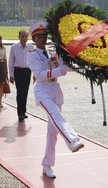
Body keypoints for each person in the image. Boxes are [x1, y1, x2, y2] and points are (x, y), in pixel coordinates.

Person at [26, 21, 84, 179]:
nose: (43, 39)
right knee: (54, 114)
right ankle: (72, 139)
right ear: (34, 38)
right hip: (42, 90)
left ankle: (47, 165)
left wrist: (74, 63)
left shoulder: (53, 52)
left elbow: (63, 69)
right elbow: (40, 75)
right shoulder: (31, 54)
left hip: (55, 90)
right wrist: (60, 70)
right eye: (39, 37)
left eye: (45, 36)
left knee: (53, 132)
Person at [8, 30, 34, 122]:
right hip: (18, 71)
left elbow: (33, 61)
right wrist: (10, 75)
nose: (24, 38)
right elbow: (11, 61)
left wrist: (35, 74)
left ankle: (23, 111)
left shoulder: (30, 47)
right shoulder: (14, 47)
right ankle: (20, 113)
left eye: (26, 36)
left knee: (25, 92)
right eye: (22, 36)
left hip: (27, 71)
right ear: (19, 37)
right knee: (20, 92)